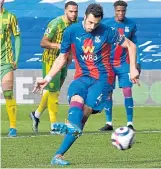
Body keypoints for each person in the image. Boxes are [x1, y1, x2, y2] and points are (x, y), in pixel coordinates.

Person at [33, 4, 139, 166]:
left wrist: (132, 69)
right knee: (76, 103)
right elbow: (62, 57)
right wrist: (47, 78)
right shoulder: (71, 32)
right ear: (85, 16)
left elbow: (131, 45)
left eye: (96, 24)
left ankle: (70, 129)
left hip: (102, 80)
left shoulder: (107, 31)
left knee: (83, 114)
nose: (92, 26)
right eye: (89, 22)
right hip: (81, 76)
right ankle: (59, 154)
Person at [30, 1, 78, 134]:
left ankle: (36, 114)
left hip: (63, 61)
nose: (73, 14)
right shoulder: (56, 23)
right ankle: (53, 127)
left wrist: (69, 56)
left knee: (53, 91)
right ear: (65, 11)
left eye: (75, 11)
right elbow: (43, 42)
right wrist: (59, 46)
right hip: (51, 61)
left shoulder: (75, 24)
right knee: (54, 93)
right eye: (71, 11)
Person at [99, 0, 141, 131]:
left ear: (125, 11)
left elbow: (134, 45)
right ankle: (109, 123)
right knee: (108, 93)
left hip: (124, 63)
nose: (121, 13)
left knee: (127, 91)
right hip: (109, 63)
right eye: (118, 11)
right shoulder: (106, 24)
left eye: (123, 11)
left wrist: (136, 64)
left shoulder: (131, 25)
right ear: (114, 11)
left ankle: (130, 123)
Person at [0, 0, 21, 137]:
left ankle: (13, 127)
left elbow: (17, 38)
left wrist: (16, 59)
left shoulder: (11, 17)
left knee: (8, 93)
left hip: (6, 61)